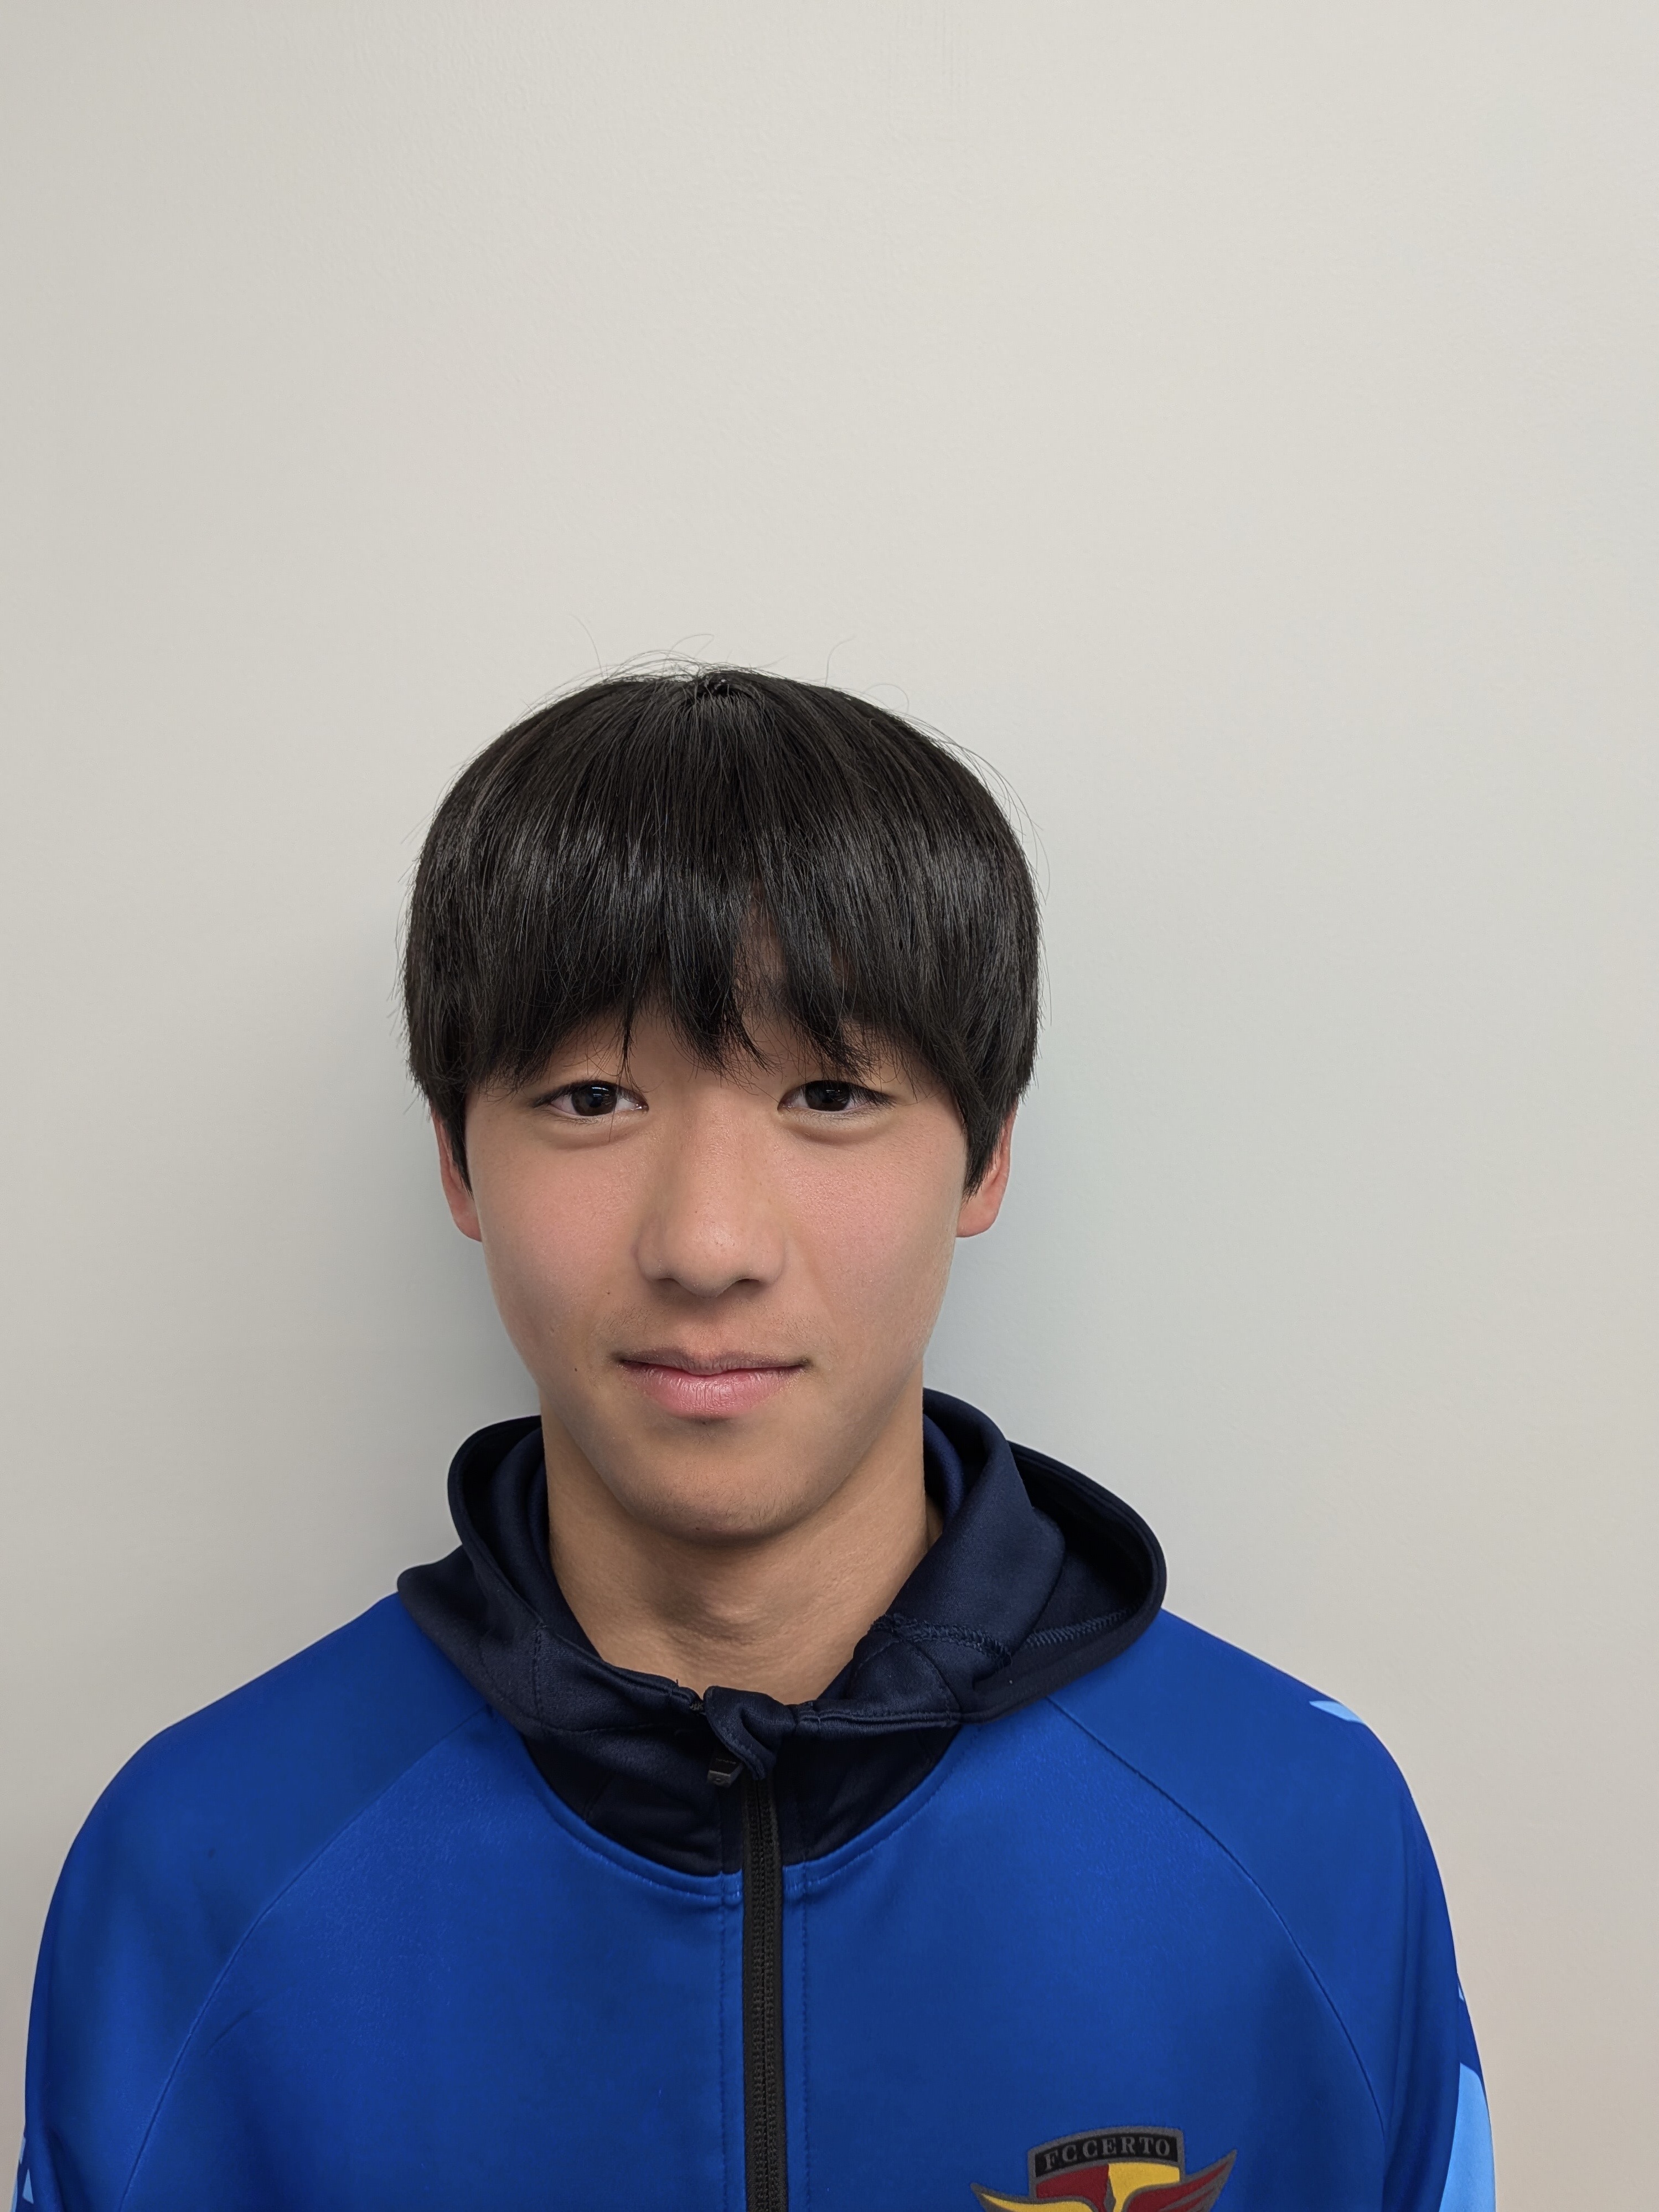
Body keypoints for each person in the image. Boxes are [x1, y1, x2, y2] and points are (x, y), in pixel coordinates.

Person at [18, 670, 1495, 2212]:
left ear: (987, 1153)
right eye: (593, 1096)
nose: (709, 1243)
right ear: (457, 1158)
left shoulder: (1301, 1835)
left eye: (831, 1093)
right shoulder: (200, 1872)